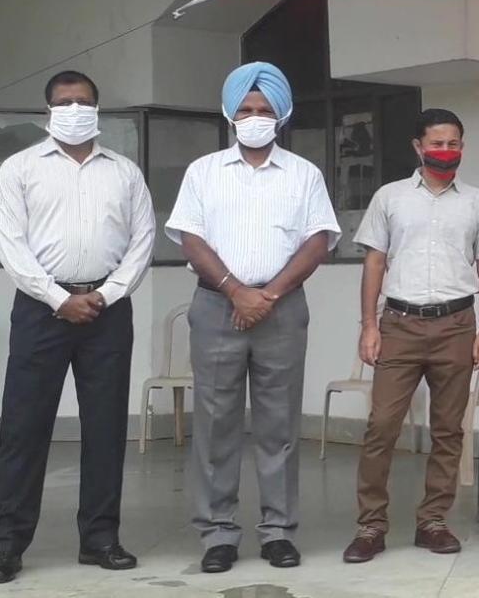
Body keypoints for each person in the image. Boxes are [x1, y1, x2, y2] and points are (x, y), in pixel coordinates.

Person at [165, 62, 341, 574]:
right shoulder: (203, 171)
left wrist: (267, 295)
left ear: (281, 115)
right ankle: (217, 534)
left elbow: (318, 241)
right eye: (245, 109)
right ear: (229, 114)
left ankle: (278, 532)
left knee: (279, 424)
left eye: (264, 109)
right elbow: (191, 239)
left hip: (281, 309)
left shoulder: (304, 174)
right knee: (215, 423)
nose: (255, 117)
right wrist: (237, 291)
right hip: (216, 305)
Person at [0, 71, 155, 583]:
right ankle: (7, 542)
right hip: (40, 310)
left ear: (97, 109)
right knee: (23, 427)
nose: (73, 110)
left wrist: (107, 294)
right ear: (48, 111)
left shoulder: (124, 173)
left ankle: (100, 538)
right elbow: (10, 245)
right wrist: (59, 298)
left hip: (107, 311)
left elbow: (143, 240)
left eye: (82, 102)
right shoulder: (18, 169)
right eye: (63, 102)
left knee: (106, 427)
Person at [342, 108, 479, 563]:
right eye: (437, 143)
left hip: (456, 325)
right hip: (399, 324)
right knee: (382, 426)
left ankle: (433, 521)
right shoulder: (390, 197)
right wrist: (369, 325)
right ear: (418, 147)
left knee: (448, 429)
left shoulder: (477, 202)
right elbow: (374, 263)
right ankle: (371, 526)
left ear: (463, 147)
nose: (445, 151)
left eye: (453, 143)